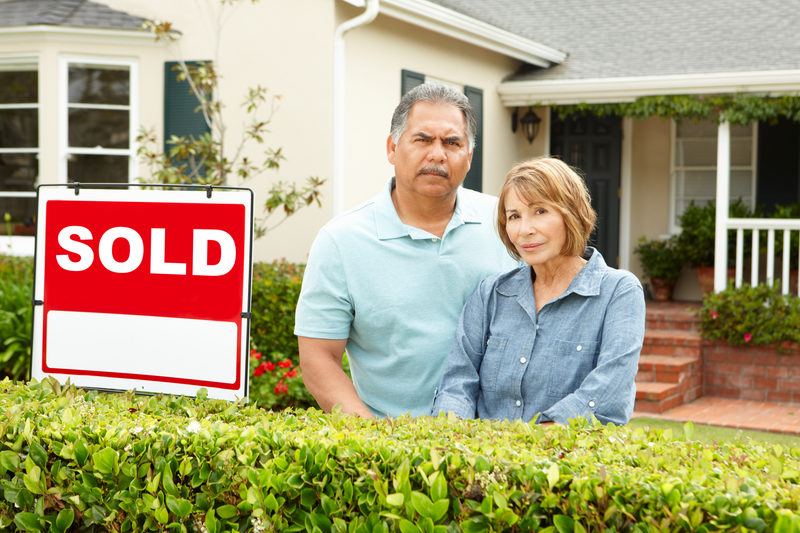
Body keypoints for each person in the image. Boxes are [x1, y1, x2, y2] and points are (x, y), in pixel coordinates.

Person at [295, 83, 518, 418]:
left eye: (452, 142)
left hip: (498, 443)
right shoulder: (342, 241)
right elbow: (317, 359)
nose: (437, 154)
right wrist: (370, 438)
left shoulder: (508, 224)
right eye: (423, 139)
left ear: (469, 157)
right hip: (390, 444)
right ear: (392, 148)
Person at [432, 157, 645, 424]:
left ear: (572, 213)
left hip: (567, 460)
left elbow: (607, 394)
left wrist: (527, 446)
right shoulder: (491, 294)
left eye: (540, 211)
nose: (524, 230)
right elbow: (458, 383)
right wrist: (452, 439)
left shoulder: (619, 292)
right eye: (514, 216)